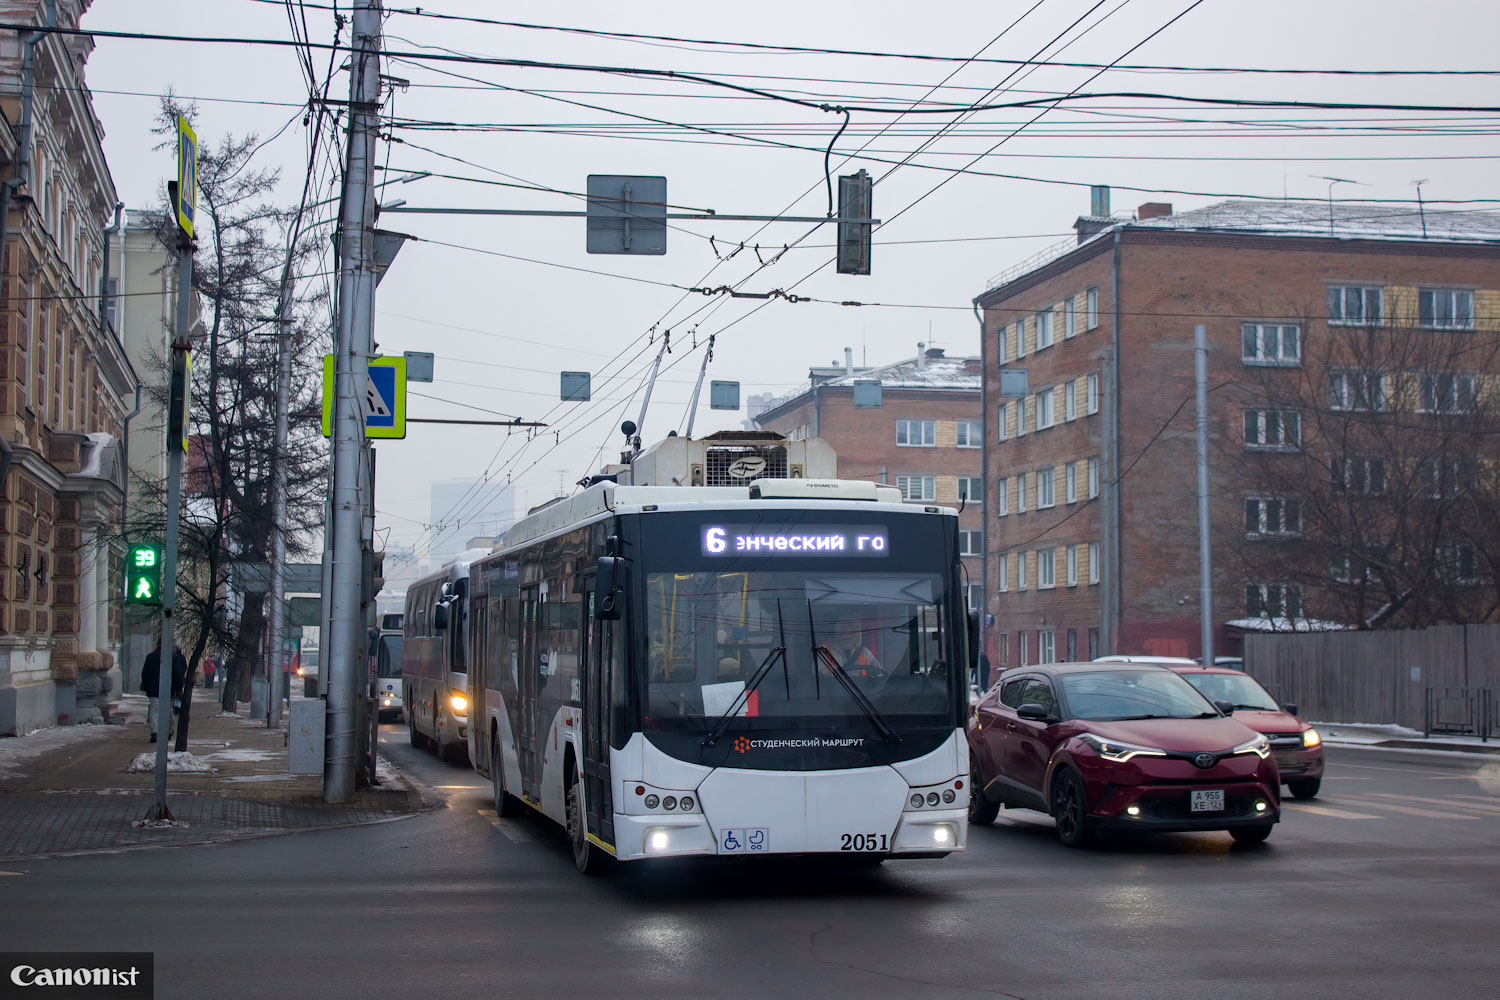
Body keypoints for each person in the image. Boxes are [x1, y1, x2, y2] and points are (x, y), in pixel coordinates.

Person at [139, 641, 188, 743]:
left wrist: (147, 687)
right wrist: (178, 689)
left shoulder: (150, 657)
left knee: (154, 710)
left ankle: (154, 732)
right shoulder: (173, 657)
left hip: (153, 689)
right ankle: (169, 731)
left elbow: (144, 674)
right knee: (168, 710)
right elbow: (177, 675)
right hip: (168, 690)